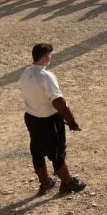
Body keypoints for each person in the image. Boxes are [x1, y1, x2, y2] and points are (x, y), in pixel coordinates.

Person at [20, 43, 86, 195]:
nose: (50, 57)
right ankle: (68, 183)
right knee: (57, 150)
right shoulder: (46, 76)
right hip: (48, 120)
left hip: (31, 117)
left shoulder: (26, 72)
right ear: (44, 58)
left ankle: (45, 182)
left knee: (36, 150)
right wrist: (71, 121)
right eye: (49, 55)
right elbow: (58, 102)